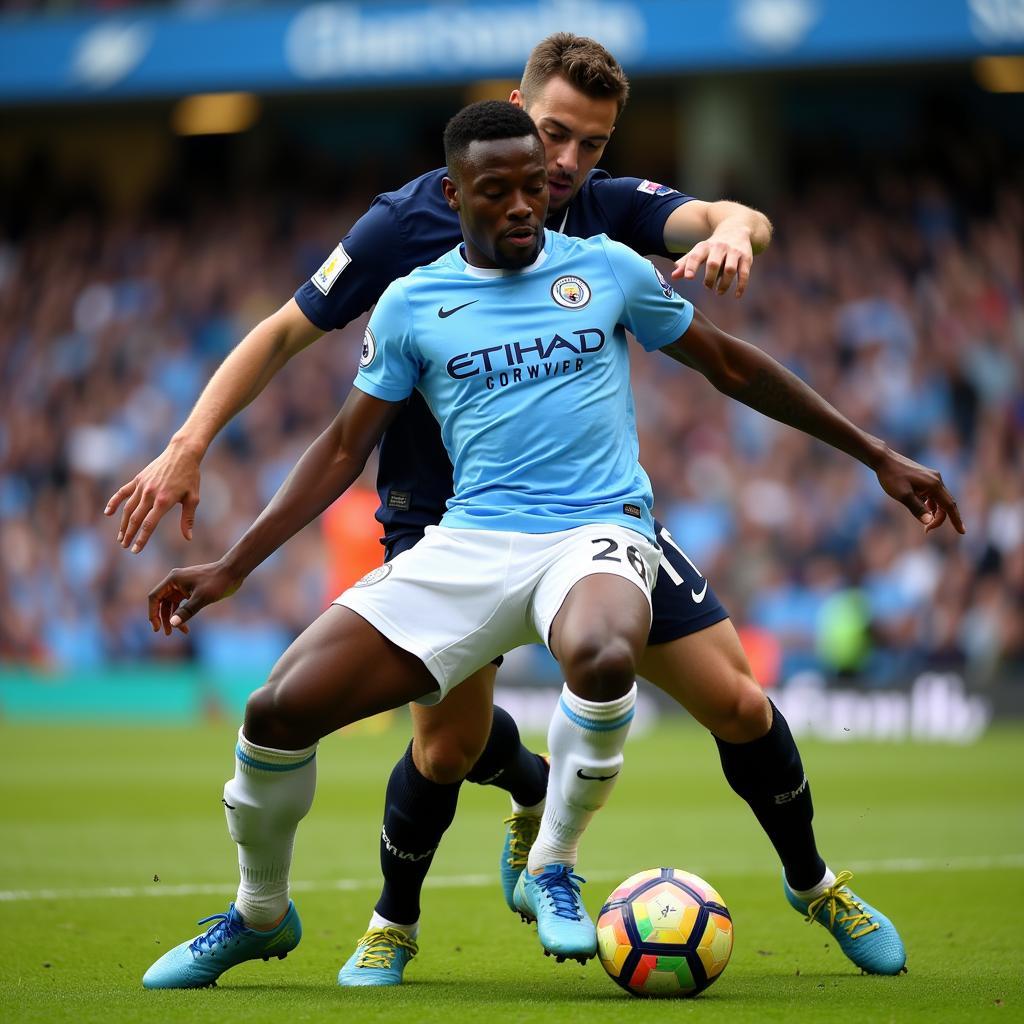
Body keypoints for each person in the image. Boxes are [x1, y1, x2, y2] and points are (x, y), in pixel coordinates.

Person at [139, 100, 962, 991]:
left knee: (616, 660)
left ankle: (561, 866)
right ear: (454, 196)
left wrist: (876, 453)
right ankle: (262, 913)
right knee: (277, 714)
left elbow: (733, 363)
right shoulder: (412, 300)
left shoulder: (607, 268)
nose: (528, 203)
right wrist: (232, 566)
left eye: (538, 184)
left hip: (597, 529)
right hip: (468, 540)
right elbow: (343, 446)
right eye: (500, 191)